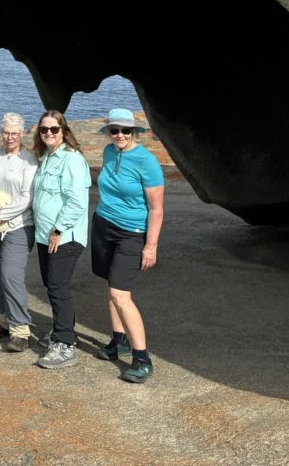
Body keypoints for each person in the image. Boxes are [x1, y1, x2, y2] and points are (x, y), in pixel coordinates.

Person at [90, 107, 165, 383]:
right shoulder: (110, 153)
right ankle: (118, 340)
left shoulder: (147, 161)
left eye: (125, 130)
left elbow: (156, 208)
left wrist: (151, 246)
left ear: (134, 132)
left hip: (131, 233)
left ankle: (142, 359)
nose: (120, 135)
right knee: (110, 287)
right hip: (103, 226)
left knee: (121, 295)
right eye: (114, 130)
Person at [31, 110, 91, 369]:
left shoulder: (71, 160)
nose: (48, 134)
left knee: (57, 287)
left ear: (63, 131)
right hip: (46, 235)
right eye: (44, 130)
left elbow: (77, 201)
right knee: (52, 284)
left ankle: (65, 344)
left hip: (64, 236)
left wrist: (58, 229)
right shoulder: (47, 157)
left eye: (54, 129)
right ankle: (61, 330)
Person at [0, 112, 40, 353]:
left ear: (22, 134)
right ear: (1, 132)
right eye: (6, 132)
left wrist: (1, 215)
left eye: (14, 133)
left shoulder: (29, 161)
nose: (10, 137)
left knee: (10, 275)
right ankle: (5, 321)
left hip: (18, 226)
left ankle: (21, 330)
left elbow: (27, 197)